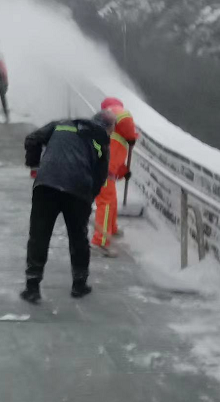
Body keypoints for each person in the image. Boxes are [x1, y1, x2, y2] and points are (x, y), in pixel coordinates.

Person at [20, 110, 115, 304]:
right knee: (78, 237)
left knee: (39, 235)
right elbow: (101, 175)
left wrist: (34, 166)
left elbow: (32, 139)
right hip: (78, 189)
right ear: (108, 127)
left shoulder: (61, 124)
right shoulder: (101, 138)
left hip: (46, 184)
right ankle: (79, 285)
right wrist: (89, 197)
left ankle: (32, 287)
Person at [91, 97, 139, 257]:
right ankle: (100, 241)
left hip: (105, 170)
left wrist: (123, 171)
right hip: (102, 171)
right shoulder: (116, 112)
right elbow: (126, 119)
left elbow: (115, 153)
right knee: (105, 203)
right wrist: (132, 136)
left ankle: (111, 229)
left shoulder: (109, 126)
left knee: (111, 201)